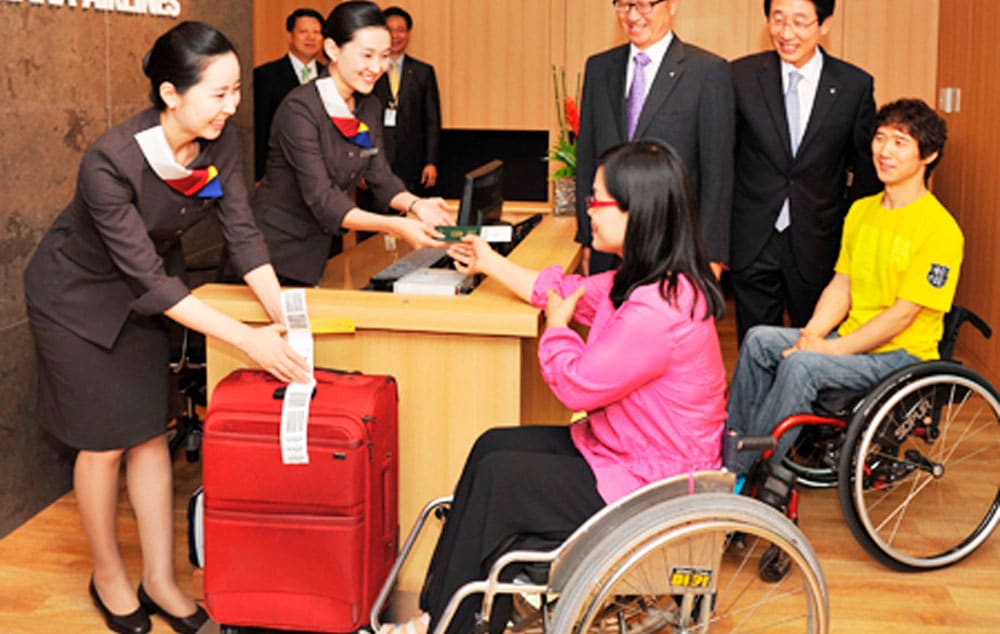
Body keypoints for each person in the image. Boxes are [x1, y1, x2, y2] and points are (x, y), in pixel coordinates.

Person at [23, 22, 311, 634]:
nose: (231, 106)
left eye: (236, 91)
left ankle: (160, 578)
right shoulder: (111, 160)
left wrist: (283, 314)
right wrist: (247, 337)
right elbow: (150, 281)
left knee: (150, 433)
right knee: (102, 445)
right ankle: (108, 576)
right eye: (218, 93)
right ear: (170, 93)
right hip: (77, 299)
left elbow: (242, 231)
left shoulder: (220, 140)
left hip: (150, 296)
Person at [380, 140, 728, 634]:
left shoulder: (660, 308)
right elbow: (560, 292)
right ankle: (439, 615)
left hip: (650, 481)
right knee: (493, 446)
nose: (590, 209)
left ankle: (447, 625)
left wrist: (560, 329)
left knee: (504, 477)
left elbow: (576, 388)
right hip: (623, 452)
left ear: (639, 211)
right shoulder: (645, 280)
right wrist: (486, 260)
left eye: (598, 200)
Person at [727, 98, 962, 474]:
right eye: (880, 138)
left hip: (902, 355)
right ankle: (733, 446)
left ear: (928, 155)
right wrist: (812, 335)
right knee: (758, 340)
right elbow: (842, 284)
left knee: (803, 366)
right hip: (854, 338)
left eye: (900, 142)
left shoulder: (940, 230)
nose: (884, 151)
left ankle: (746, 472)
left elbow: (902, 316)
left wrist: (830, 350)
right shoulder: (862, 211)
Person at [254, 1, 453, 287]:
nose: (377, 67)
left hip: (320, 249)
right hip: (273, 252)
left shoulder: (368, 105)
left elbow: (379, 174)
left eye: (384, 56)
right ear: (333, 49)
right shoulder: (300, 109)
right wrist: (395, 224)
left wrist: (417, 204)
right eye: (367, 55)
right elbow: (323, 198)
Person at [730, 0, 880, 344]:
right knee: (755, 344)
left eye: (799, 22)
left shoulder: (853, 86)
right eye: (777, 19)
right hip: (754, 236)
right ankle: (760, 400)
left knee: (813, 345)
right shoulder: (740, 77)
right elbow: (725, 158)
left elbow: (866, 176)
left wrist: (853, 240)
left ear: (824, 24)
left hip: (819, 239)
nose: (786, 33)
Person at [575, 0, 734, 276]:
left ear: (672, 5)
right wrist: (587, 238)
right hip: (608, 251)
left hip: (674, 251)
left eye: (645, 5)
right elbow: (587, 160)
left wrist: (711, 256)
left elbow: (717, 175)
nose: (633, 16)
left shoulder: (707, 72)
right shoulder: (599, 68)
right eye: (624, 5)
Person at [253, 8, 327, 181]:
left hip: (324, 174)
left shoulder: (331, 76)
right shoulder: (265, 75)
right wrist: (259, 176)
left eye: (316, 32)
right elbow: (260, 129)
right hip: (280, 174)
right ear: (289, 36)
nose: (311, 37)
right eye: (303, 32)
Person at [373, 6, 441, 194]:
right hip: (375, 163)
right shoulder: (369, 70)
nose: (395, 35)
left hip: (412, 164)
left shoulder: (423, 72)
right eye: (389, 29)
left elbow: (432, 121)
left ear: (408, 34)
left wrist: (431, 162)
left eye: (401, 30)